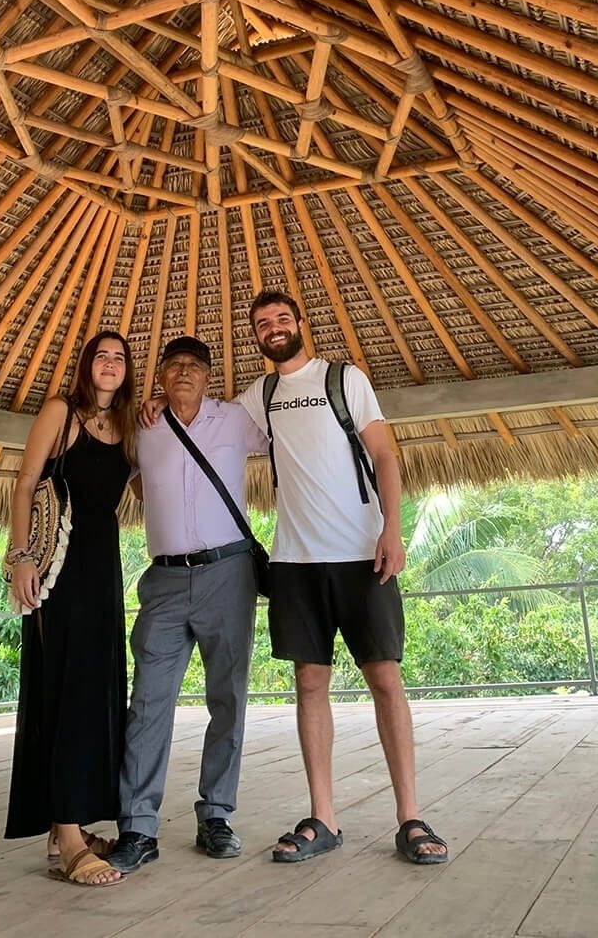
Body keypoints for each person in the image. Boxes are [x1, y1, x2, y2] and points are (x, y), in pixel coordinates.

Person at [236, 289, 449, 866]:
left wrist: (392, 530)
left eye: (283, 318)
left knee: (385, 679)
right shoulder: (261, 395)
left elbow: (384, 455)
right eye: (263, 323)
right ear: (256, 336)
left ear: (301, 323)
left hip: (362, 553)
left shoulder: (343, 378)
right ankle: (323, 816)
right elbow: (210, 430)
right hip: (294, 561)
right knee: (309, 682)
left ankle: (410, 818)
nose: (274, 327)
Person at [105, 335, 269, 875]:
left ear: (208, 376)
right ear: (159, 378)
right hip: (166, 580)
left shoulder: (235, 419)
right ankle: (137, 827)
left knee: (229, 698)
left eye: (193, 366)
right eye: (173, 366)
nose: (183, 373)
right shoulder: (142, 425)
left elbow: (286, 430)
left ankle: (215, 815)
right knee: (149, 702)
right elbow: (133, 483)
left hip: (229, 573)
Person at [4, 331, 138, 887]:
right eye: (101, 357)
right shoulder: (61, 412)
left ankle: (72, 827)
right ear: (87, 367)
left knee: (97, 694)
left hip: (103, 571)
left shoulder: (127, 428)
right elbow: (25, 483)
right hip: (57, 570)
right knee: (64, 693)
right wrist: (19, 558)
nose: (110, 365)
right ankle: (69, 838)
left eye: (120, 359)